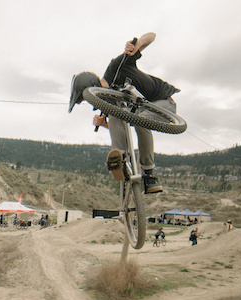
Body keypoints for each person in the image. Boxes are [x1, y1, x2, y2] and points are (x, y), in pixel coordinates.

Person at [68, 32, 180, 195]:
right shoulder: (111, 102)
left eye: (88, 99)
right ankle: (120, 159)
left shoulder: (116, 67)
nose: (91, 102)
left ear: (92, 87)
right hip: (142, 111)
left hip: (164, 101)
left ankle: (149, 175)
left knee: (141, 120)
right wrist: (104, 124)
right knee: (118, 114)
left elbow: (152, 36)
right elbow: (123, 127)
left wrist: (137, 44)